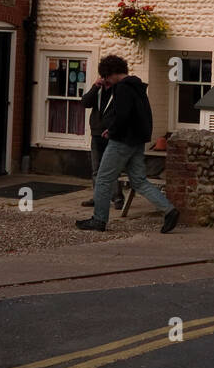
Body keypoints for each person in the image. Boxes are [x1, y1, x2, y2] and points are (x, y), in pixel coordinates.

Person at [76, 55, 179, 234]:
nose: (107, 81)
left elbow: (122, 115)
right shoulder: (137, 87)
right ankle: (169, 210)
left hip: (122, 141)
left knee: (103, 178)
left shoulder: (122, 88)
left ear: (111, 74)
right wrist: (116, 129)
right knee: (139, 180)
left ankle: (99, 219)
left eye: (106, 77)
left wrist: (113, 131)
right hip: (137, 140)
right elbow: (139, 116)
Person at [80, 56, 124, 211]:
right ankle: (98, 196)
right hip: (97, 133)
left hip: (111, 134)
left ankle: (117, 197)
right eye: (103, 77)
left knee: (112, 168)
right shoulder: (97, 90)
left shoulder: (118, 90)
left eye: (107, 77)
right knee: (96, 169)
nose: (106, 80)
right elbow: (85, 103)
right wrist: (94, 87)